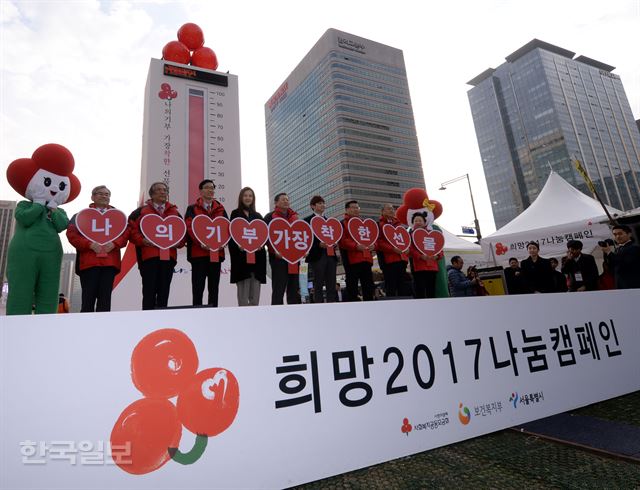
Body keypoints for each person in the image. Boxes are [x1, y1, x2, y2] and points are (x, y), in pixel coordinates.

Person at [66, 185, 129, 312]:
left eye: (107, 194)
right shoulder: (80, 216)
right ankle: (86, 328)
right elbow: (72, 234)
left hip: (110, 263)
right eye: (100, 193)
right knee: (87, 300)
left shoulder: (119, 216)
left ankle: (103, 329)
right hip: (88, 263)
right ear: (93, 197)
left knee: (105, 300)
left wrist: (115, 243)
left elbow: (126, 234)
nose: (104, 196)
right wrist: (89, 244)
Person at [128, 182, 184, 310]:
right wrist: (142, 240)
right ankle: (147, 319)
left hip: (168, 258)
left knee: (164, 290)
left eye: (165, 190)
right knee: (149, 290)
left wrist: (179, 243)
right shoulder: (140, 212)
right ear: (151, 194)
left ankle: (162, 319)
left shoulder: (175, 212)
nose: (163, 192)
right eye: (159, 190)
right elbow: (131, 230)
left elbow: (182, 232)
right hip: (148, 257)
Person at [184, 179, 228, 307]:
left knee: (214, 287)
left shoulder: (220, 209)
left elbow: (227, 227)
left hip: (216, 253)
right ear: (200, 191)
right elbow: (189, 226)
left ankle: (213, 312)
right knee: (198, 286)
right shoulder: (192, 208)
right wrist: (200, 242)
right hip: (198, 254)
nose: (210, 190)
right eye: (207, 187)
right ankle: (197, 312)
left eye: (212, 188)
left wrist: (224, 242)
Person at [229, 187, 267, 306]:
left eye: (250, 196)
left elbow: (263, 234)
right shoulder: (235, 214)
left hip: (257, 260)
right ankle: (243, 320)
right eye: (245, 195)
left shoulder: (258, 216)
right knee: (243, 297)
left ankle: (255, 320)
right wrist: (238, 246)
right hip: (241, 260)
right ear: (241, 198)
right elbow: (231, 234)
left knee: (255, 297)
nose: (248, 198)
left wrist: (261, 245)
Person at [264, 192, 301, 305]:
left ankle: (294, 312)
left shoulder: (296, 217)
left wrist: (303, 250)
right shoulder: (269, 217)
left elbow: (302, 235)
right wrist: (274, 251)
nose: (286, 201)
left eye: (287, 199)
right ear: (276, 203)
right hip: (278, 258)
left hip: (294, 258)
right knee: (279, 287)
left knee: (294, 286)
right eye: (283, 199)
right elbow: (265, 236)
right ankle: (276, 313)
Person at [339, 200, 375, 301]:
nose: (356, 209)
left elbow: (373, 237)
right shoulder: (342, 223)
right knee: (352, 287)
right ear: (347, 209)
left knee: (368, 286)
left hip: (366, 259)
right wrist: (356, 246)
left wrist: (374, 245)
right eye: (353, 207)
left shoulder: (364, 224)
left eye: (357, 208)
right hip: (351, 260)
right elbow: (342, 241)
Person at [304, 195, 338, 303]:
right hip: (317, 255)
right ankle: (318, 306)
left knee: (331, 283)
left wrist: (335, 242)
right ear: (312, 206)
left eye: (323, 203)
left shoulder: (330, 221)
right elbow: (306, 239)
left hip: (331, 255)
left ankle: (332, 305)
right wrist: (318, 244)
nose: (322, 205)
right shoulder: (307, 221)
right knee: (318, 282)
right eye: (319, 203)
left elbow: (334, 236)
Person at [376, 203, 408, 297]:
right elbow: (379, 242)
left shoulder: (399, 224)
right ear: (382, 211)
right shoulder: (379, 225)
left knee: (402, 284)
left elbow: (406, 239)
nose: (392, 210)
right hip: (388, 260)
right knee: (391, 285)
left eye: (393, 209)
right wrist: (393, 249)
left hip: (401, 258)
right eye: (389, 209)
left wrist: (407, 249)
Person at [409, 212, 441, 298]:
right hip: (419, 267)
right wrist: (420, 256)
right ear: (413, 223)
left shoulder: (432, 234)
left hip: (432, 266)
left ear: (424, 222)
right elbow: (410, 249)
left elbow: (439, 248)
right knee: (420, 291)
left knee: (431, 290)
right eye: (415, 221)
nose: (418, 222)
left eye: (420, 220)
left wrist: (437, 256)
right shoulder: (410, 235)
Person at [602, 224, 640, 289]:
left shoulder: (634, 248)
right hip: (620, 284)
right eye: (615, 235)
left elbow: (623, 263)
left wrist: (609, 252)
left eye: (620, 234)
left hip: (632, 285)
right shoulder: (618, 249)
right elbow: (611, 267)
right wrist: (606, 254)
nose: (617, 236)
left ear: (629, 234)